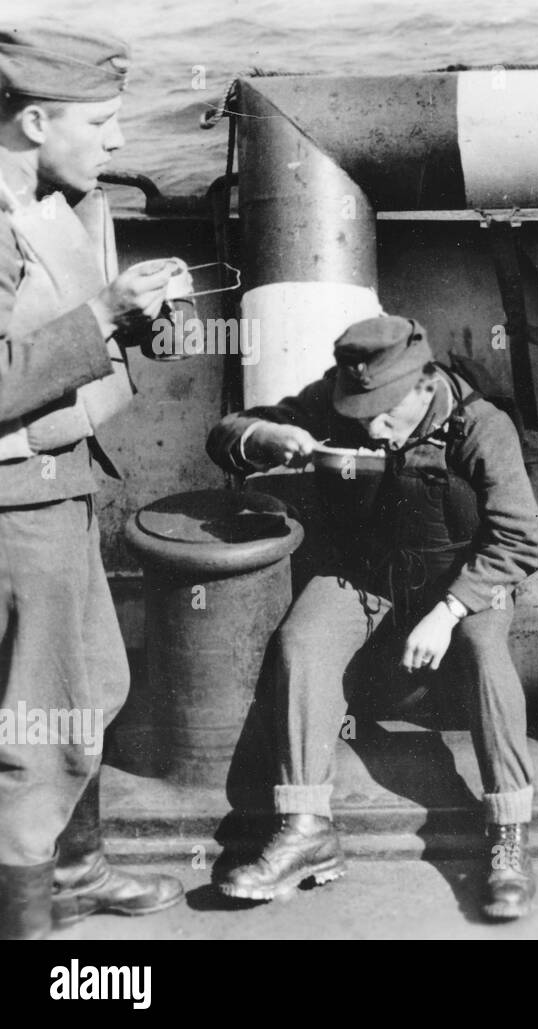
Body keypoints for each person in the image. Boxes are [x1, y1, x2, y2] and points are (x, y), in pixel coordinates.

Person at [206, 315, 538, 921]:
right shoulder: (338, 403)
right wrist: (266, 436)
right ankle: (306, 827)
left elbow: (519, 540)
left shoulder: (480, 427)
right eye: (360, 411)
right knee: (300, 644)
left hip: (464, 581)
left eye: (385, 412)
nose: (370, 424)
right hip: (368, 575)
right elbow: (225, 433)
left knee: (488, 661)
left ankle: (508, 836)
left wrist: (448, 611)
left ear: (423, 384)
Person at [0, 25, 185, 940]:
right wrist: (101, 314)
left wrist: (136, 320)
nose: (117, 141)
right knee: (38, 721)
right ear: (34, 119)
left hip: (60, 485)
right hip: (14, 508)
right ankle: (31, 928)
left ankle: (76, 868)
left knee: (93, 686)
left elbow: (60, 328)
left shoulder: (55, 195)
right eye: (102, 122)